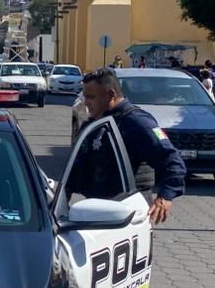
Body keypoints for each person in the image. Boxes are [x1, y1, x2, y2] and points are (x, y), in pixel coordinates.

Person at [71, 68, 186, 225]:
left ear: (111, 95)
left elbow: (172, 161)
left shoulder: (137, 123)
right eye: (85, 96)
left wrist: (165, 196)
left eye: (91, 97)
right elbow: (76, 167)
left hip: (128, 214)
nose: (86, 102)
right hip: (99, 210)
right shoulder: (95, 122)